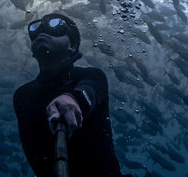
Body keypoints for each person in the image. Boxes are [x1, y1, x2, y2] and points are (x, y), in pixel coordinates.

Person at [13, 13, 133, 177]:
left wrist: (72, 99)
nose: (42, 32)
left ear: (73, 45)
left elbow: (88, 91)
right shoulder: (21, 96)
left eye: (55, 28)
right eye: (36, 29)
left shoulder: (92, 75)